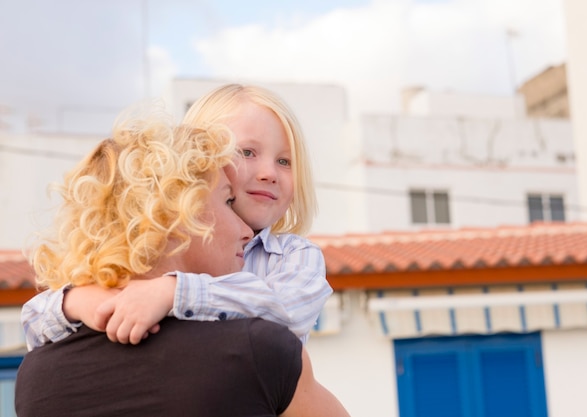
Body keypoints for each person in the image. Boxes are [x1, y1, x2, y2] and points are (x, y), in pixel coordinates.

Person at [15, 109, 350, 417]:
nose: (247, 231)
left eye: (284, 161)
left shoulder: (35, 376)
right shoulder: (258, 350)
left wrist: (79, 299)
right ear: (175, 216)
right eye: (227, 200)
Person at [21, 83, 331, 348]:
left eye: (285, 161)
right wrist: (80, 301)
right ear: (199, 157)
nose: (269, 173)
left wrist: (174, 292)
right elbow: (34, 319)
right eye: (248, 152)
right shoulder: (157, 239)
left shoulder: (291, 255)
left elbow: (292, 307)